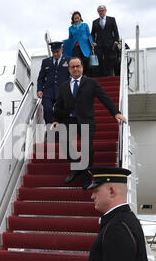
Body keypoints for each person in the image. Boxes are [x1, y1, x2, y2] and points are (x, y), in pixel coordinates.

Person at [51, 57, 127, 189]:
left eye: (77, 66)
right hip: (69, 120)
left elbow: (104, 97)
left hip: (86, 120)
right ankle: (76, 168)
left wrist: (116, 112)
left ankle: (86, 175)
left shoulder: (91, 83)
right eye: (72, 67)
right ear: (69, 69)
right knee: (64, 142)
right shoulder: (64, 86)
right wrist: (56, 120)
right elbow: (58, 105)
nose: (75, 69)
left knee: (87, 149)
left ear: (82, 67)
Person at [83, 167, 150, 261]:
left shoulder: (117, 228)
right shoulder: (123, 220)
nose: (92, 196)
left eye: (96, 191)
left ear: (112, 191)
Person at [37, 41, 71, 124]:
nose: (55, 54)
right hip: (48, 92)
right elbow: (41, 78)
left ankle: (62, 130)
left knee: (63, 113)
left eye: (57, 52)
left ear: (61, 50)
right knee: (47, 111)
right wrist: (39, 90)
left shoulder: (69, 60)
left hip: (63, 92)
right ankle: (51, 130)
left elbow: (72, 76)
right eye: (53, 52)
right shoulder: (46, 62)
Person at [91, 5, 120, 76]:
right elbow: (92, 33)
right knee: (99, 59)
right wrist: (93, 42)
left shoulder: (112, 19)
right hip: (99, 44)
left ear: (105, 11)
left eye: (102, 10)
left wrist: (116, 40)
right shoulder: (95, 22)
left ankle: (108, 75)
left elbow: (115, 30)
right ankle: (101, 75)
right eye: (99, 11)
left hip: (109, 43)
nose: (101, 12)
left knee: (109, 60)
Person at [63, 11, 95, 75]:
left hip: (85, 47)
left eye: (78, 18)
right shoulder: (70, 28)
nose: (77, 19)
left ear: (80, 18)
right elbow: (70, 38)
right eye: (75, 18)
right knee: (78, 62)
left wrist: (92, 43)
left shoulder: (85, 25)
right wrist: (64, 42)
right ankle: (81, 76)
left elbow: (89, 35)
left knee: (86, 60)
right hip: (76, 47)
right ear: (73, 19)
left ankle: (87, 75)